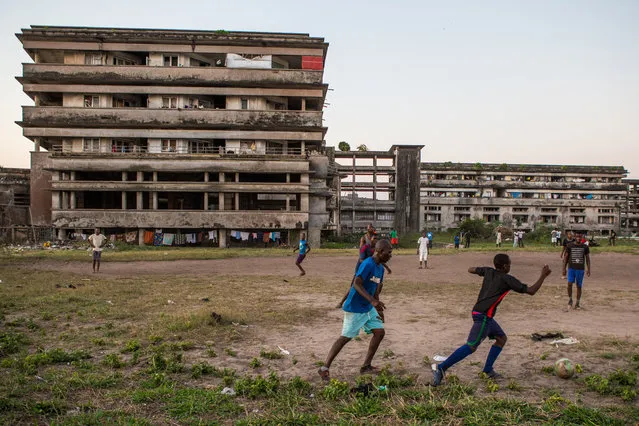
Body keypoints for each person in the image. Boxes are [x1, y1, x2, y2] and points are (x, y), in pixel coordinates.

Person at [431, 254, 552, 386]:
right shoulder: (507, 279)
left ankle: (488, 370)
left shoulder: (488, 271)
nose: (510, 266)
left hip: (480, 313)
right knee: (471, 346)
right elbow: (531, 291)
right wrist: (543, 276)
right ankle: (441, 368)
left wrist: (481, 270)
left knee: (501, 338)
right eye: (509, 264)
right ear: (505, 266)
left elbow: (470, 269)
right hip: (483, 316)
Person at [318, 240, 393, 381]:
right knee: (345, 338)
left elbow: (377, 288)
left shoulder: (380, 269)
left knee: (379, 332)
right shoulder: (368, 264)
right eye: (388, 252)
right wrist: (372, 300)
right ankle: (324, 368)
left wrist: (377, 306)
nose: (390, 255)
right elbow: (356, 283)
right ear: (379, 251)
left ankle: (366, 366)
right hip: (355, 307)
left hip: (368, 307)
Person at [336, 234, 391, 308]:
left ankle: (370, 305)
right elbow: (362, 259)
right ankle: (341, 302)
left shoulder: (374, 251)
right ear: (370, 239)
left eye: (376, 239)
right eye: (374, 239)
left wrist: (386, 267)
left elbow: (378, 260)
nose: (375, 241)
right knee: (354, 286)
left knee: (376, 284)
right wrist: (370, 264)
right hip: (361, 268)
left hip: (372, 268)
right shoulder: (365, 248)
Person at [562, 232, 591, 310]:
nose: (578, 238)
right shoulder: (569, 245)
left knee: (579, 286)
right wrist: (564, 269)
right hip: (571, 268)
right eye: (577, 236)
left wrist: (589, 269)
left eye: (580, 236)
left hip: (580, 269)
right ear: (575, 237)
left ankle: (577, 303)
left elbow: (587, 259)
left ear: (582, 237)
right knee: (569, 284)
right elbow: (566, 258)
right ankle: (570, 300)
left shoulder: (585, 247)